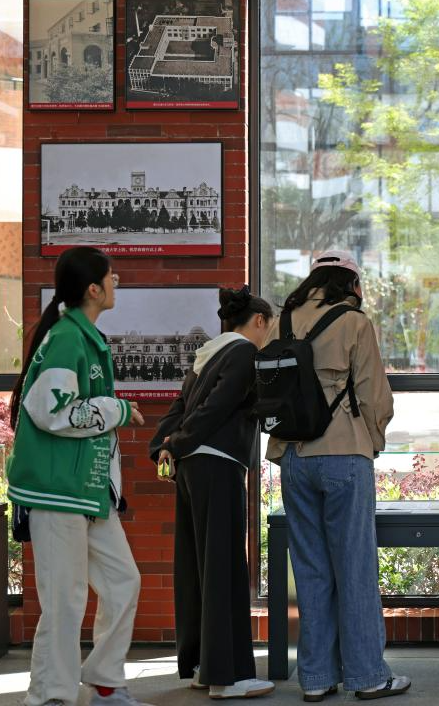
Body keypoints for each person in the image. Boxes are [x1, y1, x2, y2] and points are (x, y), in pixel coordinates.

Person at [6, 247, 151, 706]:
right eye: (112, 276)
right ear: (93, 289)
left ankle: (105, 681)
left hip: (85, 493)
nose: (117, 282)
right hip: (56, 492)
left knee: (123, 581)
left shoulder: (82, 336)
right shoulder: (69, 338)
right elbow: (49, 411)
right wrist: (116, 409)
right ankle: (51, 696)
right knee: (65, 601)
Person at [264, 251, 410, 702]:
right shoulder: (354, 322)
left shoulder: (282, 320)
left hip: (293, 456)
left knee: (310, 570)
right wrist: (374, 439)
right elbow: (374, 396)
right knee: (356, 568)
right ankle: (367, 675)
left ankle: (317, 677)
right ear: (351, 283)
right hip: (345, 454)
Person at [149, 287, 276, 700]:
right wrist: (180, 441)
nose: (268, 336)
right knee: (224, 569)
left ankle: (204, 667)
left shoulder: (207, 355)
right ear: (258, 321)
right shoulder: (242, 353)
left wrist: (166, 446)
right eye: (268, 327)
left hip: (190, 469)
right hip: (218, 464)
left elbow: (179, 409)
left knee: (197, 568)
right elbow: (217, 408)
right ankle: (228, 677)